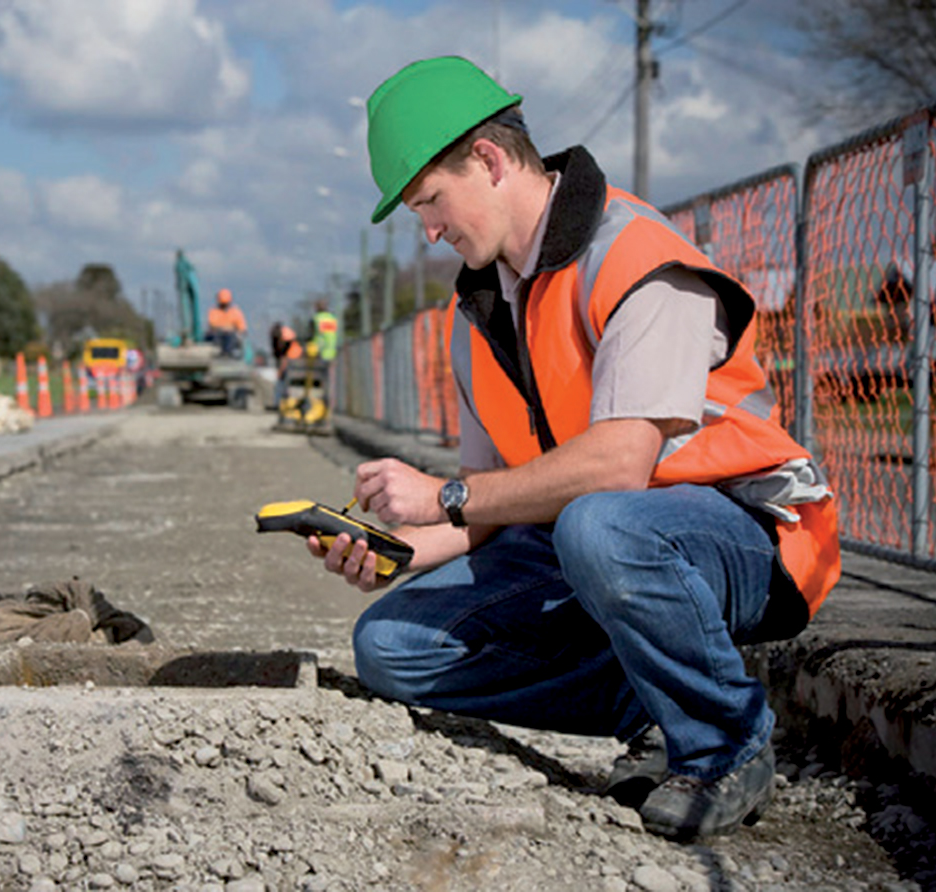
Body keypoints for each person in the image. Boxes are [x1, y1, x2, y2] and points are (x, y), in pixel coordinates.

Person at [308, 56, 840, 841]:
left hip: (750, 535)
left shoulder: (637, 258)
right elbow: (490, 502)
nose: (430, 231)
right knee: (390, 646)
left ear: (489, 160)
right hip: (595, 542)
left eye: (431, 201)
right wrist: (398, 548)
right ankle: (650, 705)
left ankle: (724, 742)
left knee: (599, 523)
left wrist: (444, 496)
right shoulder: (478, 313)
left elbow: (619, 466)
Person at [206, 288, 247, 358]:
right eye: (222, 304)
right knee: (215, 337)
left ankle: (227, 354)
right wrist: (224, 328)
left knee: (231, 337)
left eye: (225, 304)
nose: (224, 306)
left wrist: (233, 331)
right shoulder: (214, 311)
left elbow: (242, 328)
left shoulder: (236, 312)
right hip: (217, 335)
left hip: (231, 335)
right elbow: (212, 325)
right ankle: (220, 353)